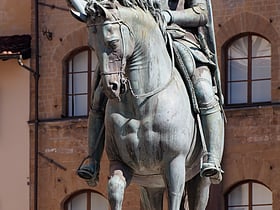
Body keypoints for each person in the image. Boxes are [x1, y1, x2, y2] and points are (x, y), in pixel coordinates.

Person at [77, 0, 224, 186]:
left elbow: (201, 12)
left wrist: (169, 16)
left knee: (203, 90)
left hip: (176, 36)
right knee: (100, 92)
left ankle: (212, 156)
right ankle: (93, 162)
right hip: (131, 40)